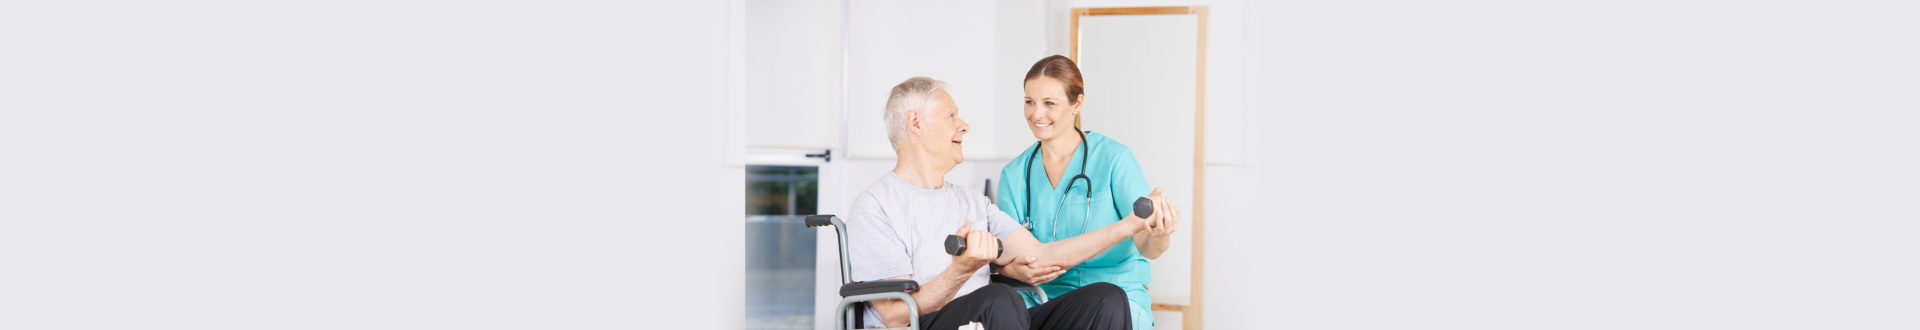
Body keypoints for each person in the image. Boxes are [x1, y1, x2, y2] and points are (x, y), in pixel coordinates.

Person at [843, 76, 1176, 329]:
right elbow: (895, 314)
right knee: (998, 298)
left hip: (995, 319)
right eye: (951, 116)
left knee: (1107, 299)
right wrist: (961, 272)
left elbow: (1041, 256)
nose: (964, 125)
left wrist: (1128, 225)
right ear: (916, 123)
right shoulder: (875, 206)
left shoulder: (972, 202)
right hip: (931, 323)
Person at [995, 55, 1182, 330]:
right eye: (1029, 102)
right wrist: (1013, 270)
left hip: (1116, 294)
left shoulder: (1114, 159)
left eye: (1049, 103)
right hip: (1045, 300)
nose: (1036, 114)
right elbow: (1007, 261)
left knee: (1108, 304)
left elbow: (1147, 245)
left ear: (1077, 104)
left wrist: (1161, 234)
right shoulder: (1014, 176)